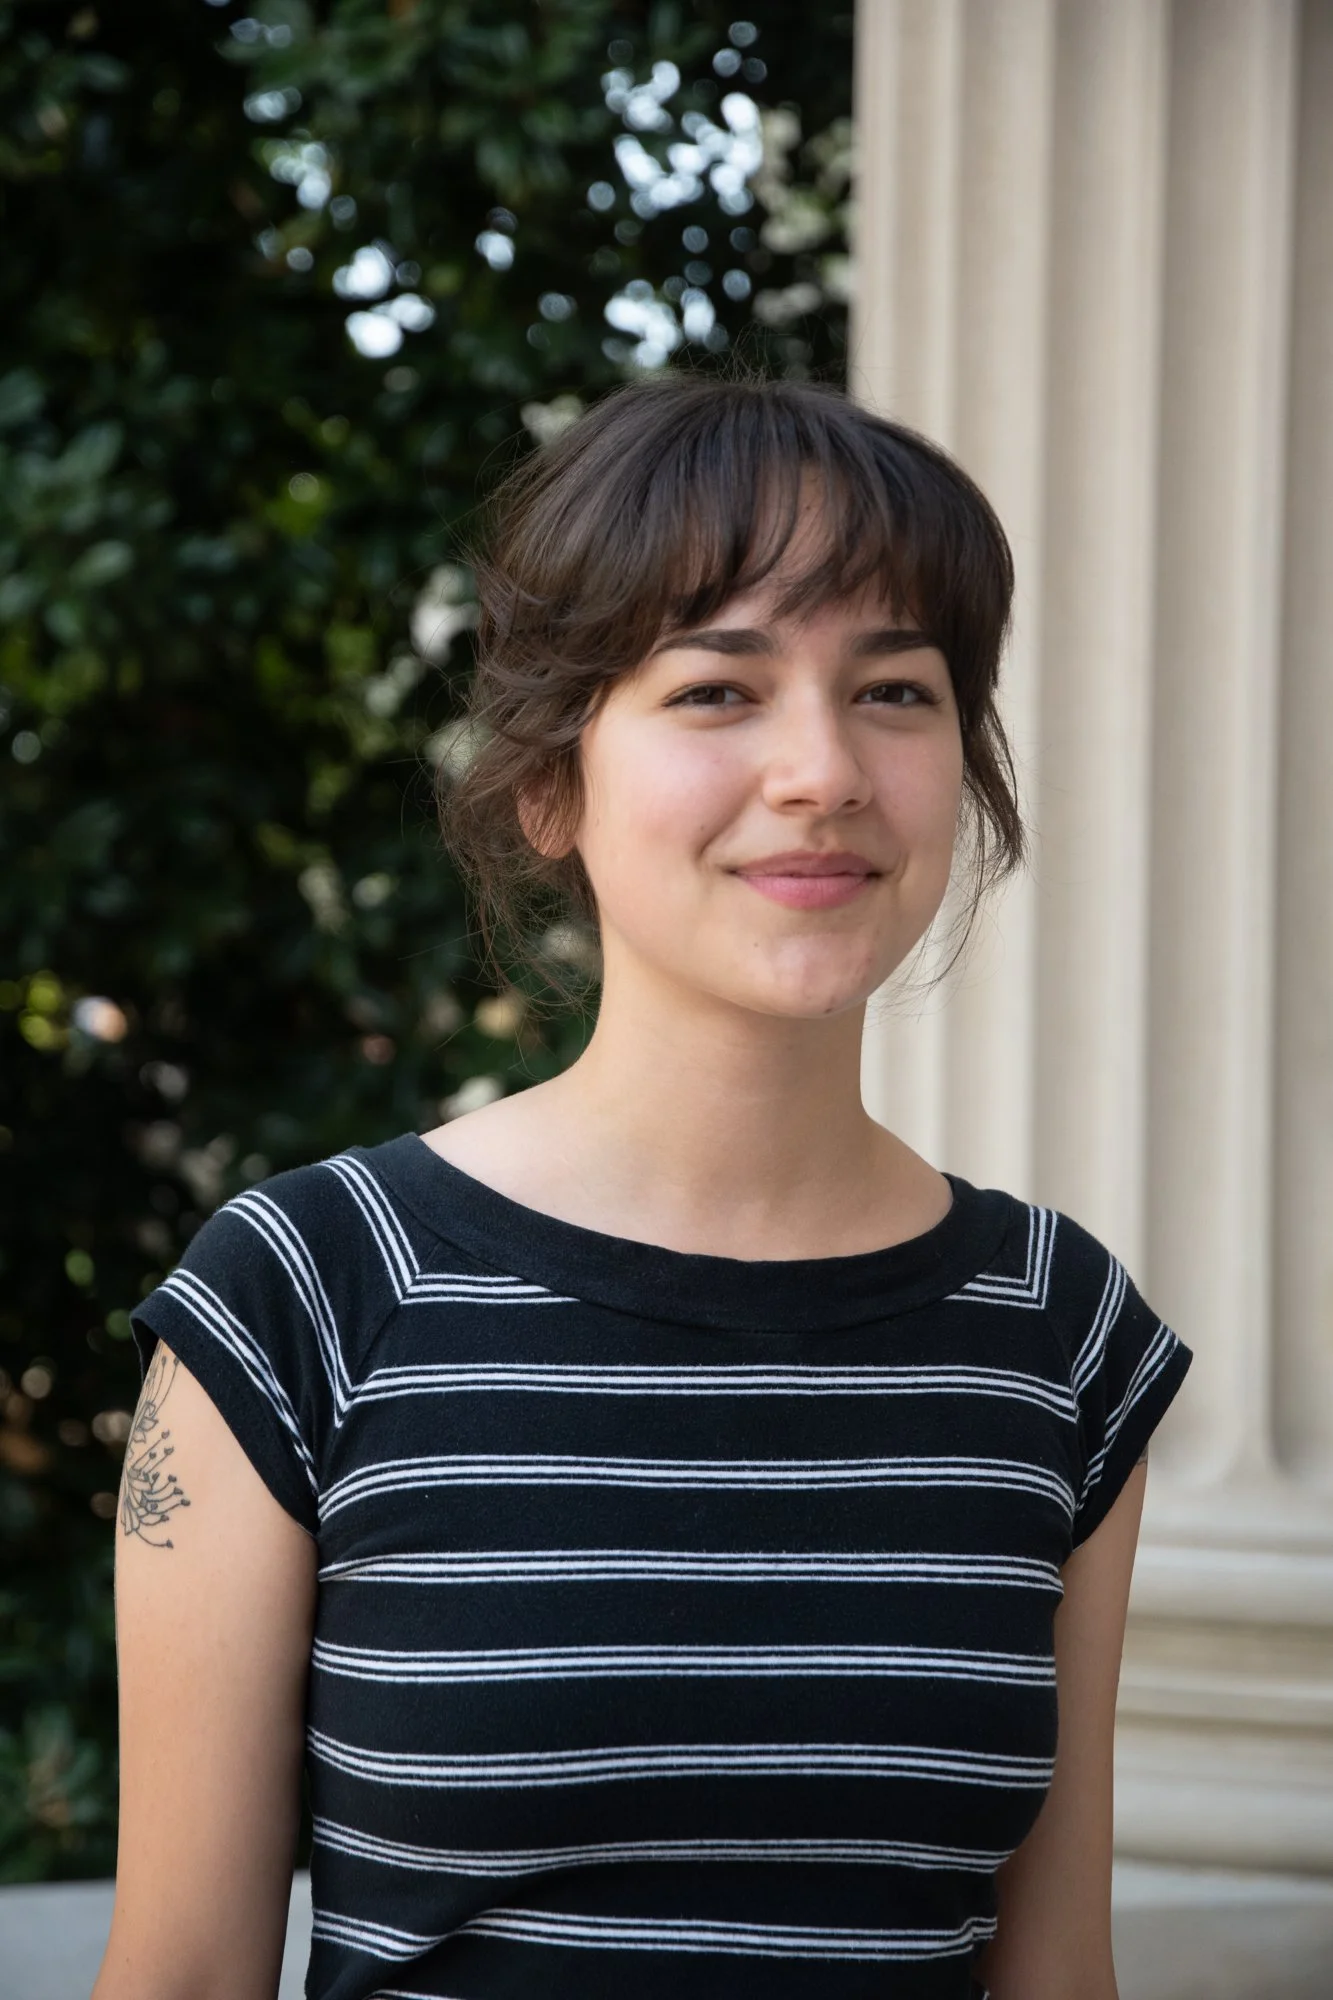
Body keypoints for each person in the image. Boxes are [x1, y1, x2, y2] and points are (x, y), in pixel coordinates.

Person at [95, 374, 1192, 2000]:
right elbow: (182, 1969)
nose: (821, 769)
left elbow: (1057, 1972)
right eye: (716, 691)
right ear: (552, 782)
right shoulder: (305, 1294)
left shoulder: (1059, 1328)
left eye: (894, 689)